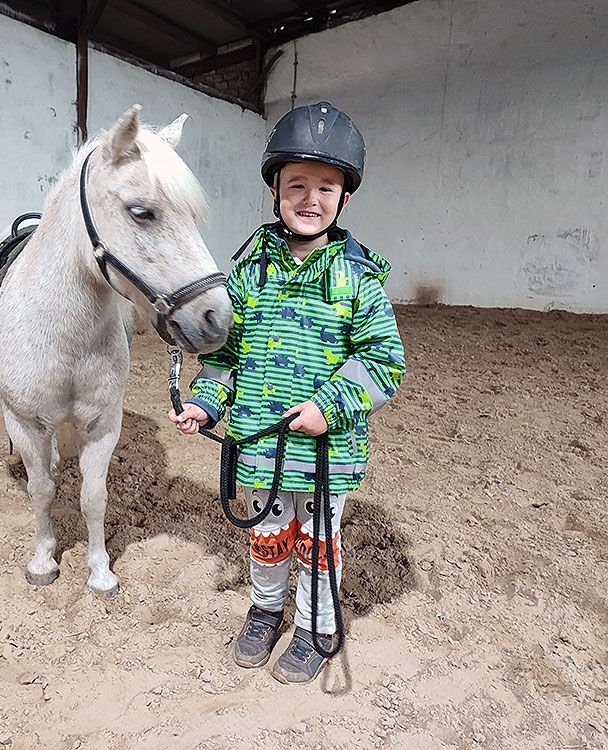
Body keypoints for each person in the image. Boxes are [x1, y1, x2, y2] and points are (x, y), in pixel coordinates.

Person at [169, 102, 405, 684]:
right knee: (268, 537)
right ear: (274, 189)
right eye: (296, 184)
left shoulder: (359, 279)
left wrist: (330, 406)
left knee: (318, 545)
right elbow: (226, 356)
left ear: (345, 198)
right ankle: (266, 609)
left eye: (326, 188)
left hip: (325, 454)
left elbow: (383, 361)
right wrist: (206, 403)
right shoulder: (247, 273)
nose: (310, 199)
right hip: (260, 446)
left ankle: (317, 627)